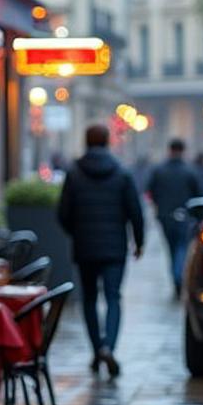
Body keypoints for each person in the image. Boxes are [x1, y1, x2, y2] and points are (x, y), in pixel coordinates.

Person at [57, 122, 144, 377]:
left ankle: (96, 349)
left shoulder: (74, 173)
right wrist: (138, 242)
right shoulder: (122, 173)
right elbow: (135, 212)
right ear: (108, 142)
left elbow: (63, 213)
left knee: (90, 299)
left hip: (85, 248)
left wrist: (78, 233)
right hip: (115, 247)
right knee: (114, 297)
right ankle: (109, 347)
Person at [147, 139, 201, 297]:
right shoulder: (190, 171)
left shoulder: (159, 170)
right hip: (184, 215)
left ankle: (176, 276)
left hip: (165, 216)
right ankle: (178, 276)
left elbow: (152, 191)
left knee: (172, 249)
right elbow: (198, 192)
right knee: (182, 247)